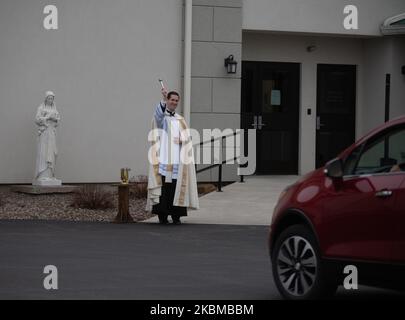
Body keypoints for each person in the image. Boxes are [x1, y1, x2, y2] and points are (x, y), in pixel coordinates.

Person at [146, 87, 199, 224]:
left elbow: (188, 138)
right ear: (167, 100)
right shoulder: (162, 117)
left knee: (176, 186)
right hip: (163, 160)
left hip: (177, 161)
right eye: (172, 100)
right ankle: (162, 216)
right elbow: (157, 117)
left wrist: (183, 140)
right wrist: (163, 99)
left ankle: (176, 215)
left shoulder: (180, 119)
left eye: (176, 100)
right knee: (164, 187)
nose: (174, 102)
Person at [33, 91, 61, 185]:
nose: (50, 100)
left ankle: (50, 175)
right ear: (46, 99)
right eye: (49, 98)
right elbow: (37, 119)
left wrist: (54, 119)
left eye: (52, 98)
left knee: (52, 153)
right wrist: (46, 118)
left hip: (52, 133)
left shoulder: (55, 109)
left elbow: (58, 121)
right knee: (44, 153)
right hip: (44, 133)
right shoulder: (41, 108)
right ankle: (42, 175)